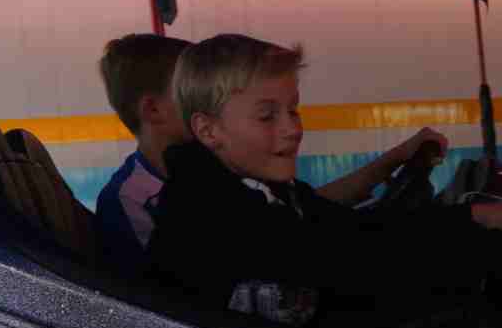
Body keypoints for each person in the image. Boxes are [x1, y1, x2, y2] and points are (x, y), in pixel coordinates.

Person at [148, 34, 502, 328]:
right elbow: (356, 265)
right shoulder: (207, 209)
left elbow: (354, 230)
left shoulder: (262, 190)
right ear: (209, 130)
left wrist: (470, 217)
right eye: (267, 116)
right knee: (467, 321)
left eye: (293, 110)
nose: (292, 129)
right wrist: (499, 244)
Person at [93, 33, 452, 275]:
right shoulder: (143, 200)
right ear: (154, 110)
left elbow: (313, 213)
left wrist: (394, 161)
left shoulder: (242, 180)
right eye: (187, 87)